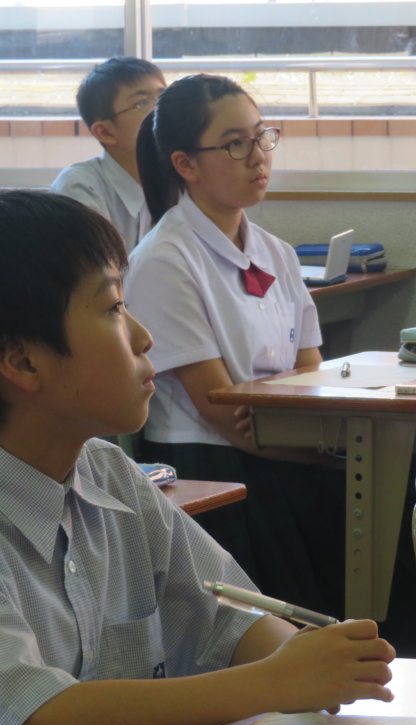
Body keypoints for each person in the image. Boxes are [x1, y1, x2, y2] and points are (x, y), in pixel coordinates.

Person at [0, 190, 395, 725]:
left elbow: (228, 621)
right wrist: (274, 682)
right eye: (114, 308)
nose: (143, 337)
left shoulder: (109, 473)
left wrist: (309, 662)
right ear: (23, 362)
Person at [124, 74, 348, 618]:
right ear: (186, 164)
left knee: (390, 508)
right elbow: (224, 412)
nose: (257, 156)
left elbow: (311, 375)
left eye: (261, 136)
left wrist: (334, 444)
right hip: (214, 466)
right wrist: (337, 451)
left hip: (285, 448)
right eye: (234, 144)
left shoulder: (277, 253)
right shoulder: (165, 259)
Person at [50, 56, 165, 251]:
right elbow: (97, 267)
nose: (161, 111)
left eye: (163, 97)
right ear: (105, 132)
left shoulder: (184, 176)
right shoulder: (80, 186)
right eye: (143, 102)